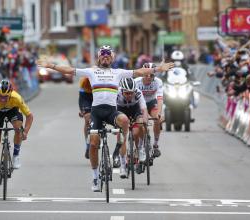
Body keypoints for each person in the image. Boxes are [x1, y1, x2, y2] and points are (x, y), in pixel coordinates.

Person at [37, 45, 174, 192]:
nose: (105, 56)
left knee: (125, 121)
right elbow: (69, 70)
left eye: (108, 55)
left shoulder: (118, 73)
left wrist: (158, 69)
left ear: (112, 58)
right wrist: (50, 65)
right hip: (96, 112)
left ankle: (122, 160)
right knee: (94, 143)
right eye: (103, 54)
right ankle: (95, 177)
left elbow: (140, 71)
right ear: (99, 57)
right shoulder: (91, 71)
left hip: (111, 112)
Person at [0, 79, 34, 185]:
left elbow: (29, 116)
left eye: (5, 97)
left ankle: (15, 155)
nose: (3, 99)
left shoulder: (17, 98)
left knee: (18, 128)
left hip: (12, 110)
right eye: (0, 96)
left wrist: (25, 132)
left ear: (10, 94)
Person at [113, 77, 148, 174]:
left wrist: (145, 120)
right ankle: (123, 165)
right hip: (121, 111)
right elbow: (113, 111)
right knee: (121, 138)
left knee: (141, 124)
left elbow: (144, 109)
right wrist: (115, 124)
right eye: (127, 93)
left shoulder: (138, 93)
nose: (129, 95)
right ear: (122, 90)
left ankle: (140, 148)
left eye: (131, 93)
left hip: (134, 110)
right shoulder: (116, 94)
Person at [135, 63, 164, 157]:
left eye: (151, 75)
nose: (148, 77)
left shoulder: (158, 82)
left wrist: (159, 113)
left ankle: (155, 145)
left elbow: (160, 99)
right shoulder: (136, 82)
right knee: (141, 124)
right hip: (139, 103)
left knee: (158, 119)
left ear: (154, 75)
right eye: (146, 74)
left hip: (151, 102)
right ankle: (140, 145)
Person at [78, 77, 93, 159]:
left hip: (98, 94)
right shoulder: (84, 81)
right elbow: (81, 99)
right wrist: (82, 110)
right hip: (86, 96)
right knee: (87, 118)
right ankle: (88, 144)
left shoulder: (103, 79)